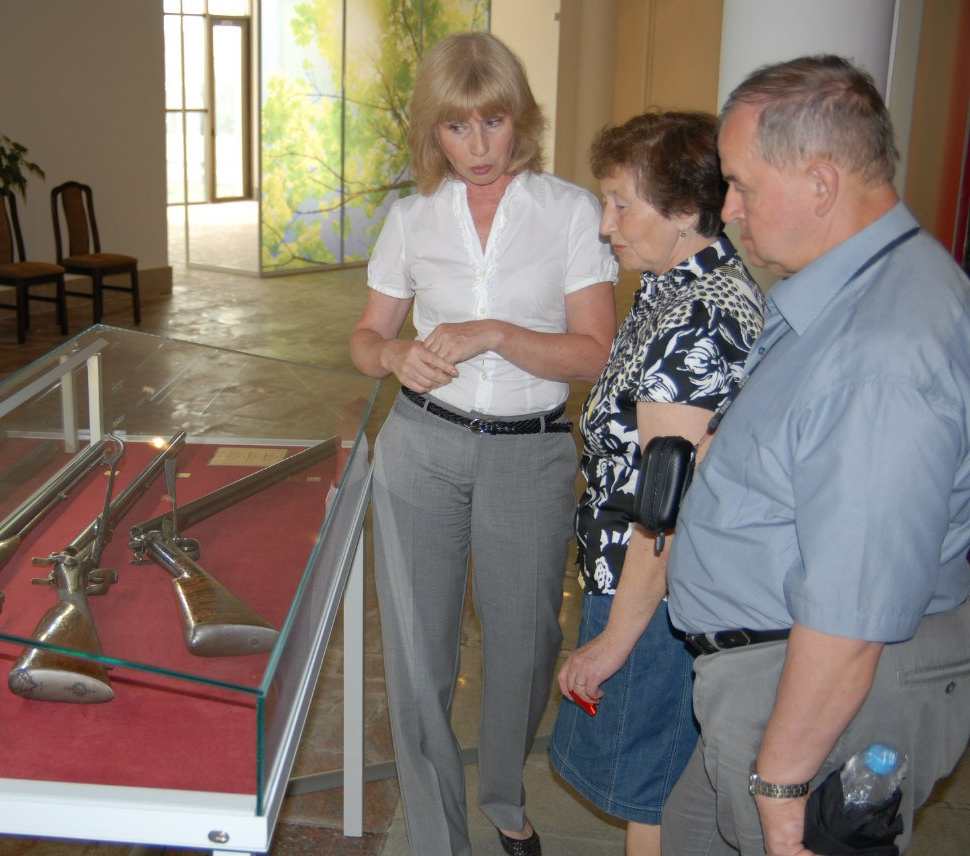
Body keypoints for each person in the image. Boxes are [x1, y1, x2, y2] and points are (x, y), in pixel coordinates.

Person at [663, 54, 970, 855]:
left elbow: (852, 613)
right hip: (771, 675)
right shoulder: (860, 289)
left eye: (742, 185)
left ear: (821, 185)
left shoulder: (883, 352)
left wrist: (781, 781)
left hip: (812, 697)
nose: (729, 209)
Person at [350, 31, 617, 856]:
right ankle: (438, 835)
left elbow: (595, 353)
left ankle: (504, 794)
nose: (477, 146)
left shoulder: (570, 212)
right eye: (457, 127)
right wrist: (394, 356)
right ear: (433, 130)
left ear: (520, 120)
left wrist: (496, 332)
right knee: (418, 654)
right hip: (421, 446)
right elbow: (366, 337)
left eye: (493, 122)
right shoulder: (412, 218)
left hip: (530, 452)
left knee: (526, 646)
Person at [548, 111, 765, 856]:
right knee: (660, 792)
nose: (605, 223)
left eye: (621, 203)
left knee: (656, 799)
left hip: (656, 597)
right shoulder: (672, 286)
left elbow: (666, 507)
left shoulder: (697, 317)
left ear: (682, 209)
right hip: (644, 584)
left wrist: (615, 640)